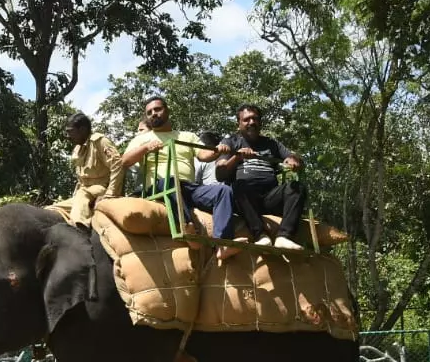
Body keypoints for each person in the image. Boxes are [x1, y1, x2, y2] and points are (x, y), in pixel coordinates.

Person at [121, 97, 241, 261]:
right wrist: (145, 148)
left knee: (223, 190)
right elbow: (124, 161)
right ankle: (188, 228)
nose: (154, 114)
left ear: (167, 110)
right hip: (161, 187)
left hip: (190, 188)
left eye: (157, 109)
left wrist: (218, 150)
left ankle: (223, 244)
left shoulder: (187, 136)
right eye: (149, 112)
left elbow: (204, 155)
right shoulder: (142, 138)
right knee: (169, 180)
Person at [211, 104, 306, 251]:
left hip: (270, 197)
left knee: (297, 187)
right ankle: (260, 235)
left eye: (255, 119)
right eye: (246, 120)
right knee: (239, 185)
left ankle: (284, 236)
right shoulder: (230, 142)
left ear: (260, 122)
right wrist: (237, 157)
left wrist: (294, 160)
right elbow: (220, 173)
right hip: (245, 199)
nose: (251, 123)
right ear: (239, 123)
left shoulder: (272, 143)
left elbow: (292, 157)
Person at [63, 112, 126, 226]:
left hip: (100, 188)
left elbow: (117, 165)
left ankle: (79, 227)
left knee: (82, 194)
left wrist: (110, 194)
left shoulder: (100, 142)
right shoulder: (77, 149)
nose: (67, 136)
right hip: (82, 193)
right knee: (56, 208)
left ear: (82, 130)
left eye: (70, 131)